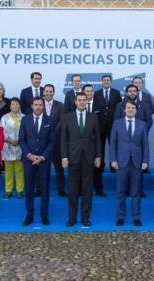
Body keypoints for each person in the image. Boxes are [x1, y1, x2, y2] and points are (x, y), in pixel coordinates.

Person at [61, 92, 102, 227]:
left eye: (84, 100)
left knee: (87, 189)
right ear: (75, 101)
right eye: (79, 100)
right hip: (72, 158)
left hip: (89, 158)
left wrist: (98, 156)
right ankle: (72, 218)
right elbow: (63, 139)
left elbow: (97, 139)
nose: (82, 102)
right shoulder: (67, 117)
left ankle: (85, 217)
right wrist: (64, 156)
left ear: (87, 101)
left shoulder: (93, 117)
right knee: (72, 190)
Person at [109, 100, 149, 226]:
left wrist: (145, 161)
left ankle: (136, 217)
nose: (131, 109)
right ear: (124, 110)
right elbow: (113, 143)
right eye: (128, 107)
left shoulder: (142, 124)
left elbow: (145, 145)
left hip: (137, 162)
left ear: (136, 110)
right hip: (121, 162)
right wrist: (113, 160)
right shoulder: (117, 123)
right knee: (120, 191)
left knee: (136, 192)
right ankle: (120, 216)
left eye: (133, 108)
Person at [19, 97, 55, 226]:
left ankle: (44, 215)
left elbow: (52, 141)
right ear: (32, 106)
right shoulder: (25, 119)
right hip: (29, 161)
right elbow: (21, 139)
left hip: (44, 161)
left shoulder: (49, 120)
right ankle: (29, 215)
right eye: (36, 104)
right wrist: (30, 155)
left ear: (43, 106)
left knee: (45, 189)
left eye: (41, 105)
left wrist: (42, 157)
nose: (38, 107)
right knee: (29, 189)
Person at [93, 74, 122, 176]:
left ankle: (113, 166)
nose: (106, 81)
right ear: (102, 82)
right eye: (104, 80)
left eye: (108, 80)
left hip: (113, 124)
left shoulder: (116, 93)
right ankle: (100, 166)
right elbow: (94, 109)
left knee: (113, 146)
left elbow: (120, 108)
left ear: (111, 82)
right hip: (100, 125)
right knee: (100, 146)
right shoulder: (96, 93)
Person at [43, 84, 67, 197]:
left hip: (57, 141)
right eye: (46, 91)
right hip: (42, 142)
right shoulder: (38, 104)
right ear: (43, 92)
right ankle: (40, 188)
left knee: (59, 167)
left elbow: (62, 122)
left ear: (53, 92)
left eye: (50, 91)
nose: (48, 93)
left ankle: (61, 189)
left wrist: (51, 133)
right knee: (41, 167)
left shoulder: (60, 105)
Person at [0, 97, 25, 198]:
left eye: (17, 104)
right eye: (12, 104)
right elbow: (1, 132)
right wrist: (9, 140)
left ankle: (20, 190)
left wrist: (19, 140)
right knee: (8, 171)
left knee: (19, 170)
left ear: (20, 105)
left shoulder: (24, 117)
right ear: (10, 106)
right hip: (7, 147)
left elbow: (27, 131)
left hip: (21, 147)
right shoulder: (4, 117)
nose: (15, 106)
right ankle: (8, 190)